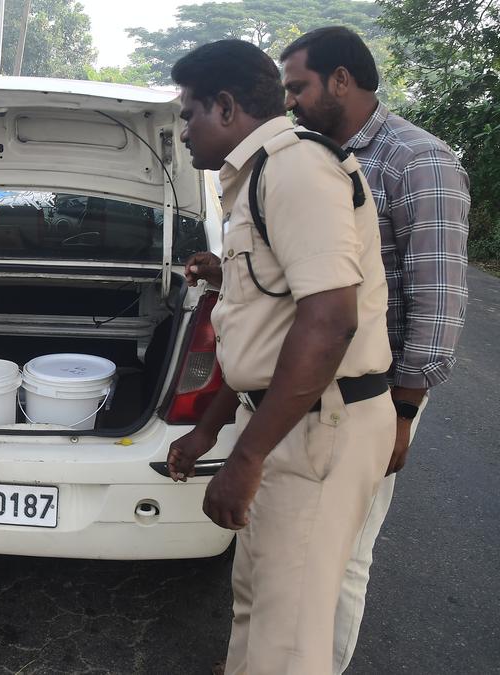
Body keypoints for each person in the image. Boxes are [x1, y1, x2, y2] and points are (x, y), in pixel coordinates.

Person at [165, 40, 395, 674]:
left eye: (189, 114)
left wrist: (246, 457)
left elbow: (327, 324)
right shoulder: (256, 178)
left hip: (319, 426)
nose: (183, 131)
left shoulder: (294, 170)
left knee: (289, 640)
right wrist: (209, 430)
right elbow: (263, 330)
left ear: (227, 106)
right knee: (260, 605)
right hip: (286, 419)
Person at [278, 26, 471, 673]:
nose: (291, 101)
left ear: (341, 80)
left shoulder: (418, 160)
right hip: (315, 387)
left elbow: (438, 304)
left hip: (378, 396)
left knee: (344, 551)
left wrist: (404, 414)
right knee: (299, 541)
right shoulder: (318, 157)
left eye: (298, 86)